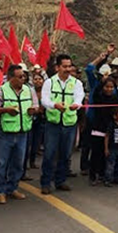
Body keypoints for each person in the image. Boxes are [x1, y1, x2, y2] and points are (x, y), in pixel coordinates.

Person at [0, 65, 38, 204]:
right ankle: (0, 191)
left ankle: (12, 188)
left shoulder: (29, 90)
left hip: (23, 132)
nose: (23, 79)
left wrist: (32, 110)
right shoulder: (1, 91)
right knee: (1, 163)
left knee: (18, 163)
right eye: (20, 76)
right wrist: (5, 110)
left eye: (24, 76)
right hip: (5, 132)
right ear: (11, 78)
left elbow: (36, 106)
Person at [40, 54, 85, 194]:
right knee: (49, 154)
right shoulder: (49, 82)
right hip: (53, 123)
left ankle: (61, 180)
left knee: (66, 154)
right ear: (57, 67)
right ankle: (46, 183)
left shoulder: (76, 83)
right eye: (64, 66)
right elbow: (44, 100)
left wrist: (76, 105)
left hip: (69, 123)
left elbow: (79, 97)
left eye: (69, 66)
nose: (67, 69)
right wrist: (54, 105)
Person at [82, 44, 115, 175]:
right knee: (88, 143)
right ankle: (85, 166)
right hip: (92, 117)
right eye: (103, 75)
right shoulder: (95, 84)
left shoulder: (113, 87)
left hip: (106, 120)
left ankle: (100, 169)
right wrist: (103, 55)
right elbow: (89, 69)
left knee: (102, 146)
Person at [89, 78, 118, 185]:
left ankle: (102, 174)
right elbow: (96, 91)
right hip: (98, 128)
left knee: (105, 153)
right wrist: (102, 81)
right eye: (107, 87)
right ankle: (93, 175)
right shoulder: (99, 97)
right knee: (96, 152)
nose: (109, 89)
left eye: (111, 87)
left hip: (109, 129)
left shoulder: (115, 99)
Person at [28, 73, 46, 170]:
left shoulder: (46, 92)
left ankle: (32, 161)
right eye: (35, 79)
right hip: (31, 119)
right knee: (28, 142)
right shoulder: (29, 91)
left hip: (41, 120)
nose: (38, 81)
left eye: (40, 79)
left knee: (36, 142)